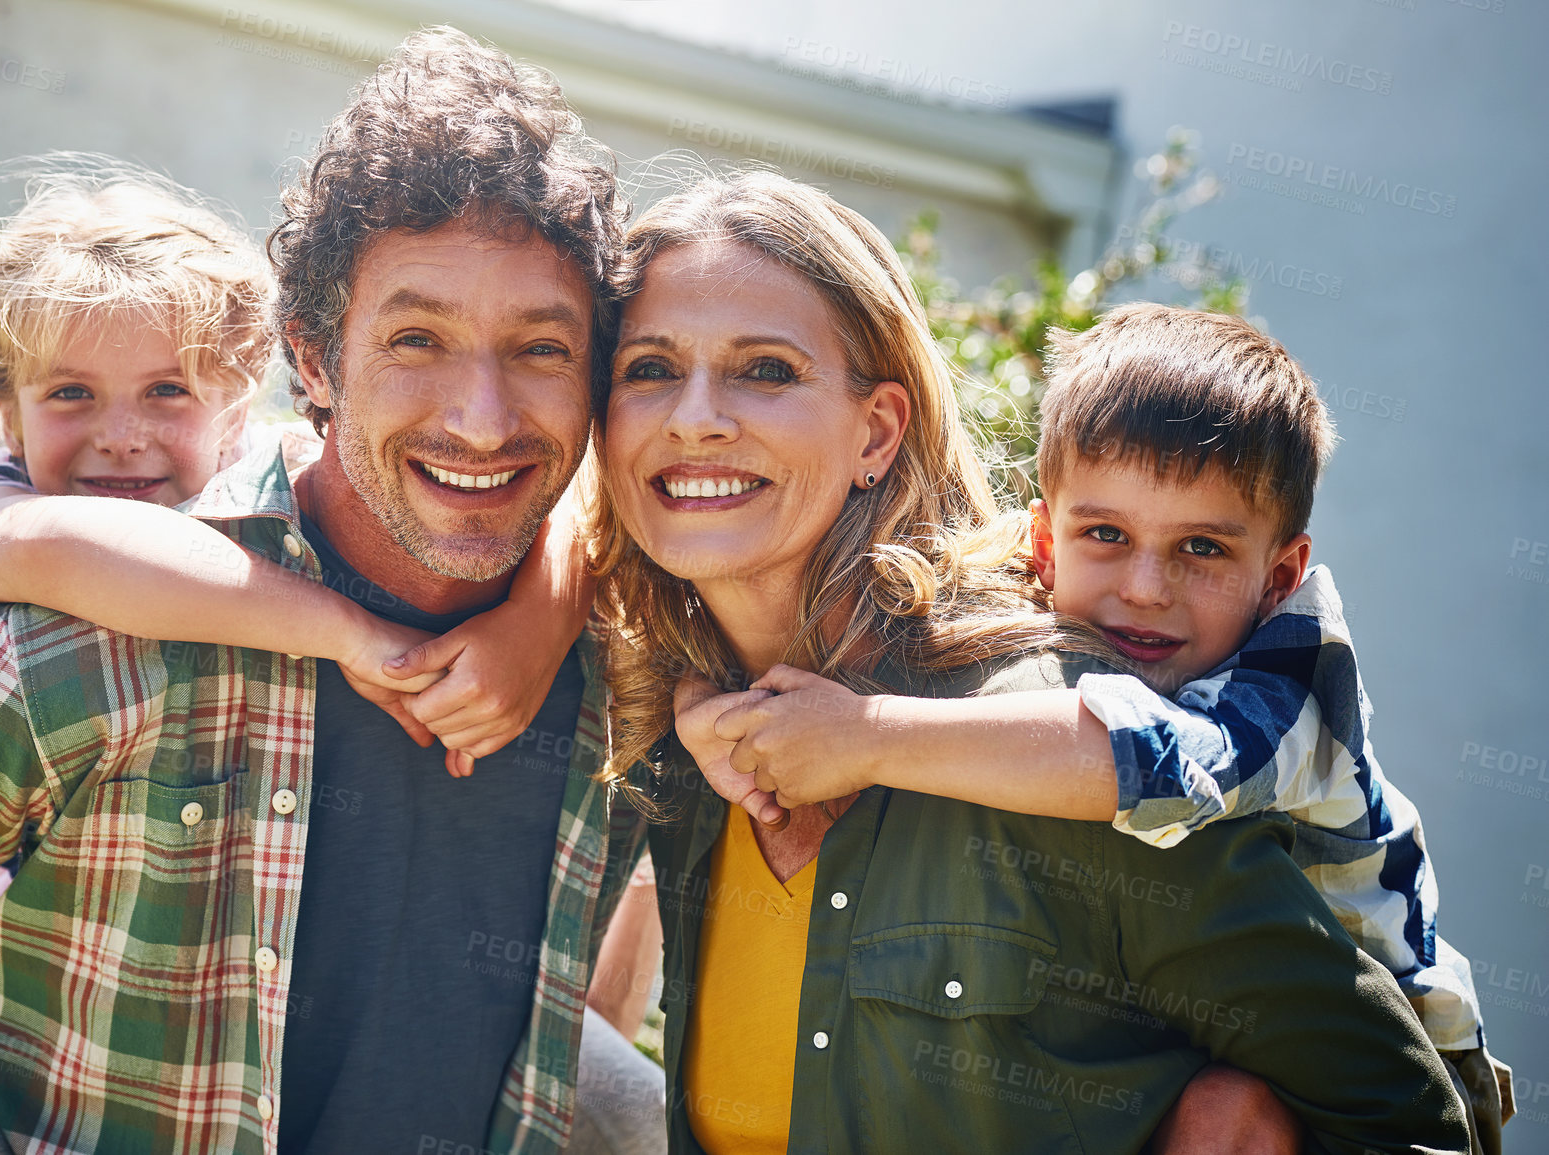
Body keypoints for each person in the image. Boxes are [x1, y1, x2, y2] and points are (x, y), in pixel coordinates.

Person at [0, 29, 653, 1154]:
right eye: (418, 338)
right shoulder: (103, 613)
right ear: (311, 357)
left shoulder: (630, 653)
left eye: (541, 351)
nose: (483, 419)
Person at [589, 169, 1470, 1152]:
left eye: (765, 370)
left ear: (877, 431)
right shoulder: (680, 747)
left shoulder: (1065, 747)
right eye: (650, 368)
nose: (696, 416)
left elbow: (1413, 1127)